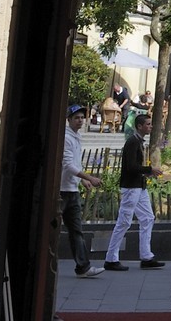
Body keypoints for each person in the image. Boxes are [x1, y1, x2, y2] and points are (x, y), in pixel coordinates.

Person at [103, 113, 165, 271]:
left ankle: (146, 256)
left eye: (151, 124)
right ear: (139, 126)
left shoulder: (137, 142)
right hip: (132, 187)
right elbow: (130, 167)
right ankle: (111, 258)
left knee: (147, 218)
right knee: (124, 221)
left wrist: (147, 172)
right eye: (148, 124)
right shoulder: (132, 142)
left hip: (138, 186)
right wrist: (150, 169)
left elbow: (133, 167)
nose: (151, 126)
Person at [60, 105, 104, 278]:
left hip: (72, 189)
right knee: (56, 229)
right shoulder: (66, 137)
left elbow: (74, 164)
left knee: (76, 230)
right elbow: (68, 164)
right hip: (62, 191)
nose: (80, 120)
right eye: (76, 117)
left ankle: (83, 267)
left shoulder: (76, 137)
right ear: (69, 119)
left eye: (81, 117)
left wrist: (83, 179)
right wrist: (90, 177)